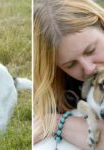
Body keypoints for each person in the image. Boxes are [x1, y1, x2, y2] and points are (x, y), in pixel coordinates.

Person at [33, 0, 104, 149]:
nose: (89, 69)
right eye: (71, 65)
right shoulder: (56, 89)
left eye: (91, 50)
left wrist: (57, 122)